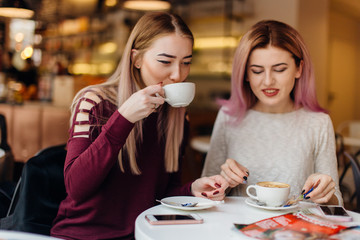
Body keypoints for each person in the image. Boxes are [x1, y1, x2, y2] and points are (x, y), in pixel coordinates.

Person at [51, 12, 228, 240]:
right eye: (165, 61)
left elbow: (160, 194)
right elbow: (76, 187)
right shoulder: (94, 102)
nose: (178, 74)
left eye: (186, 63)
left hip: (143, 234)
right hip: (83, 234)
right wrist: (123, 118)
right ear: (136, 59)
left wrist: (191, 190)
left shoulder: (176, 115)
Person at [201, 20, 343, 206]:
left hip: (294, 232)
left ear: (298, 68)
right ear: (245, 74)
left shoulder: (318, 122)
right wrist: (223, 182)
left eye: (279, 69)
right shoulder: (229, 117)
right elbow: (205, 193)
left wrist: (326, 194)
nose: (268, 81)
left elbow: (336, 204)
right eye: (257, 71)